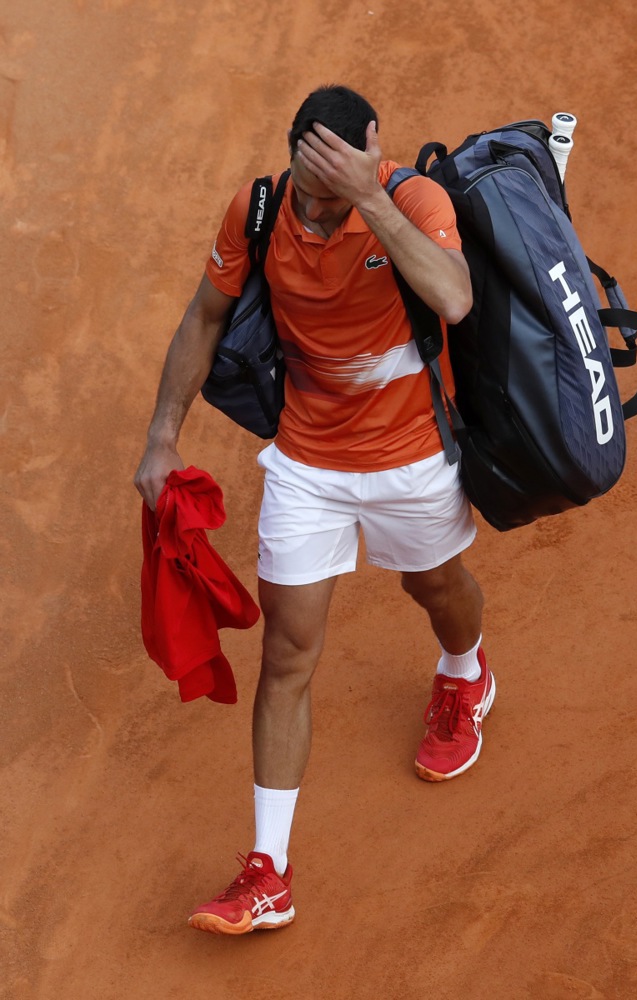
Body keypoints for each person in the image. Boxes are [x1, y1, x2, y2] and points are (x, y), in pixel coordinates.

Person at [134, 84, 496, 936]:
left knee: (434, 585)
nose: (319, 212)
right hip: (307, 463)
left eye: (337, 194)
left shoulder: (411, 200)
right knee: (287, 652)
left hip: (412, 458)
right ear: (291, 156)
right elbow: (205, 315)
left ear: (372, 154)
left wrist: (371, 196)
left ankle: (465, 671)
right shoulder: (258, 210)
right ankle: (269, 871)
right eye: (311, 191)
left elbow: (452, 298)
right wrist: (160, 437)